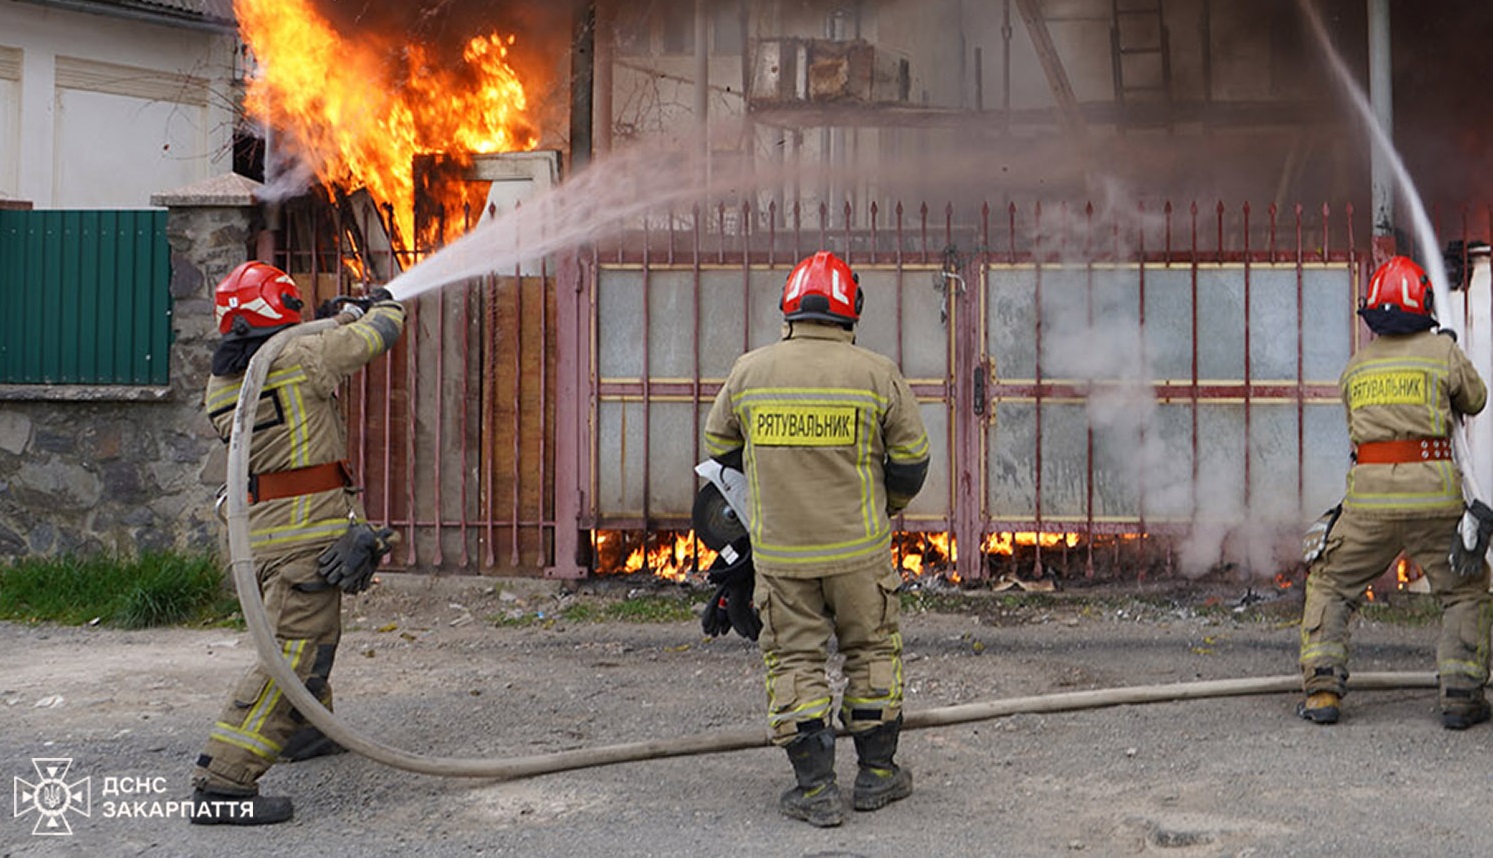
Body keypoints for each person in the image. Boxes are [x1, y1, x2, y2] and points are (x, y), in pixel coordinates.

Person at [703, 250, 930, 827]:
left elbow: (721, 451)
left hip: (782, 556)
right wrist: (885, 506)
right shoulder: (877, 373)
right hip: (859, 552)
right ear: (852, 309)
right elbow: (911, 462)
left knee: (794, 658)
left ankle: (816, 790)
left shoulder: (749, 372)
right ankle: (877, 775)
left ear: (789, 307)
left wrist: (774, 490)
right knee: (871, 650)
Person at [189, 261, 405, 825]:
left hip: (263, 538)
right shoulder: (301, 355)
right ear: (280, 306)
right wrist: (385, 305)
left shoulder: (225, 381)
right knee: (293, 651)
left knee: (309, 635)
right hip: (302, 537)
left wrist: (332, 320)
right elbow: (375, 337)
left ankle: (306, 732)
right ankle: (223, 782)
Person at [1298, 255, 1493, 729]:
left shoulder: (1355, 368)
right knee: (1465, 590)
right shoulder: (1442, 352)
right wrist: (1449, 350)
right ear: (1423, 304)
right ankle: (1461, 694)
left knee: (1330, 582)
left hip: (1368, 504)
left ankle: (1322, 689)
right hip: (1434, 500)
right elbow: (1476, 399)